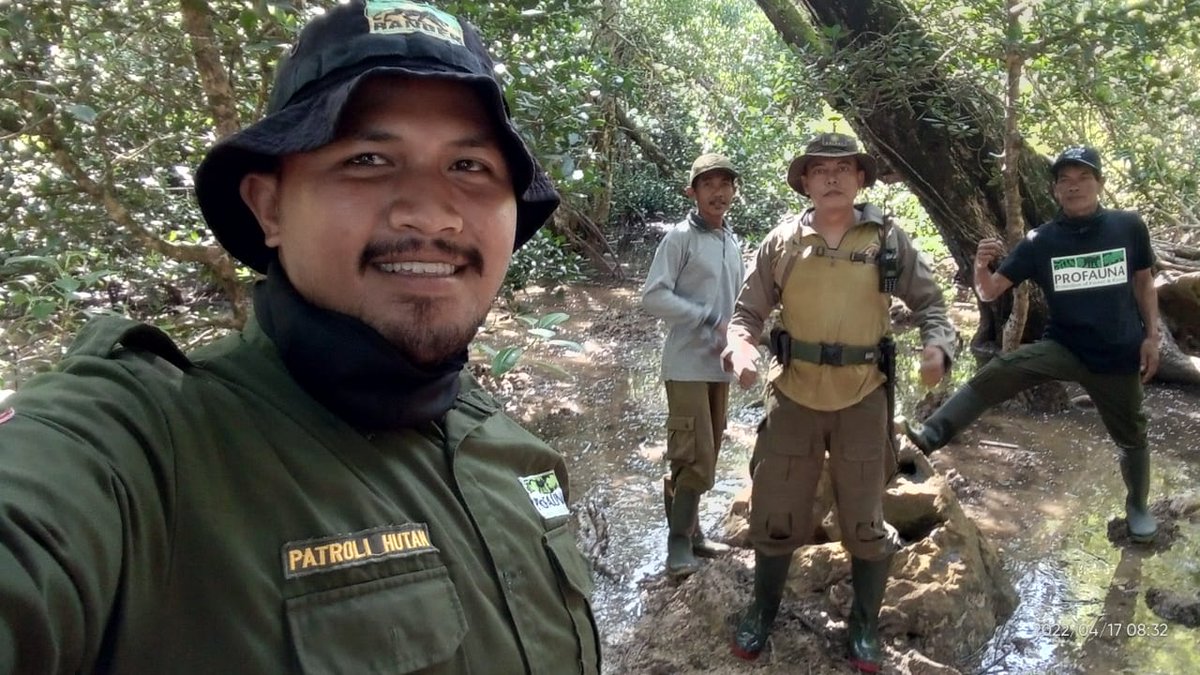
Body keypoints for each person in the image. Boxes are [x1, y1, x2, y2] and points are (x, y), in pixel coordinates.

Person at [0, 2, 601, 673]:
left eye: (469, 167)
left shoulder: (517, 454)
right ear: (270, 206)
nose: (432, 212)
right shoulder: (147, 447)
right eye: (370, 158)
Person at [722, 132, 956, 672]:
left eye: (843, 168)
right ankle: (762, 609)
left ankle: (865, 627)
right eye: (819, 169)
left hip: (863, 398)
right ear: (804, 181)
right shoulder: (781, 243)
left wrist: (938, 346)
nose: (831, 177)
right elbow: (746, 315)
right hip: (794, 397)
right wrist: (740, 350)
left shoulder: (888, 239)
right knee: (776, 513)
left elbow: (932, 304)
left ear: (860, 178)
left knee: (864, 521)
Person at [901, 145, 1160, 543]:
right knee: (999, 372)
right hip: (1064, 347)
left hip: (1118, 353)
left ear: (1099, 184)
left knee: (1132, 437)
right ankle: (930, 436)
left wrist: (1152, 337)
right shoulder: (1042, 241)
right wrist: (979, 267)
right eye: (1065, 181)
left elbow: (1144, 281)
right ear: (1055, 191)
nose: (1074, 187)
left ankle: (1138, 506)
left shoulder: (1128, 227)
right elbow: (990, 292)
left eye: (1083, 178)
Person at [641, 153, 746, 578]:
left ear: (734, 192)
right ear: (692, 192)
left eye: (725, 184)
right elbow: (652, 296)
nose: (718, 193)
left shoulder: (731, 240)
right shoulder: (680, 238)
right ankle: (677, 545)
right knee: (694, 454)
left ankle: (693, 531)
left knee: (710, 450)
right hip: (685, 363)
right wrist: (705, 317)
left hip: (720, 365)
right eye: (708, 185)